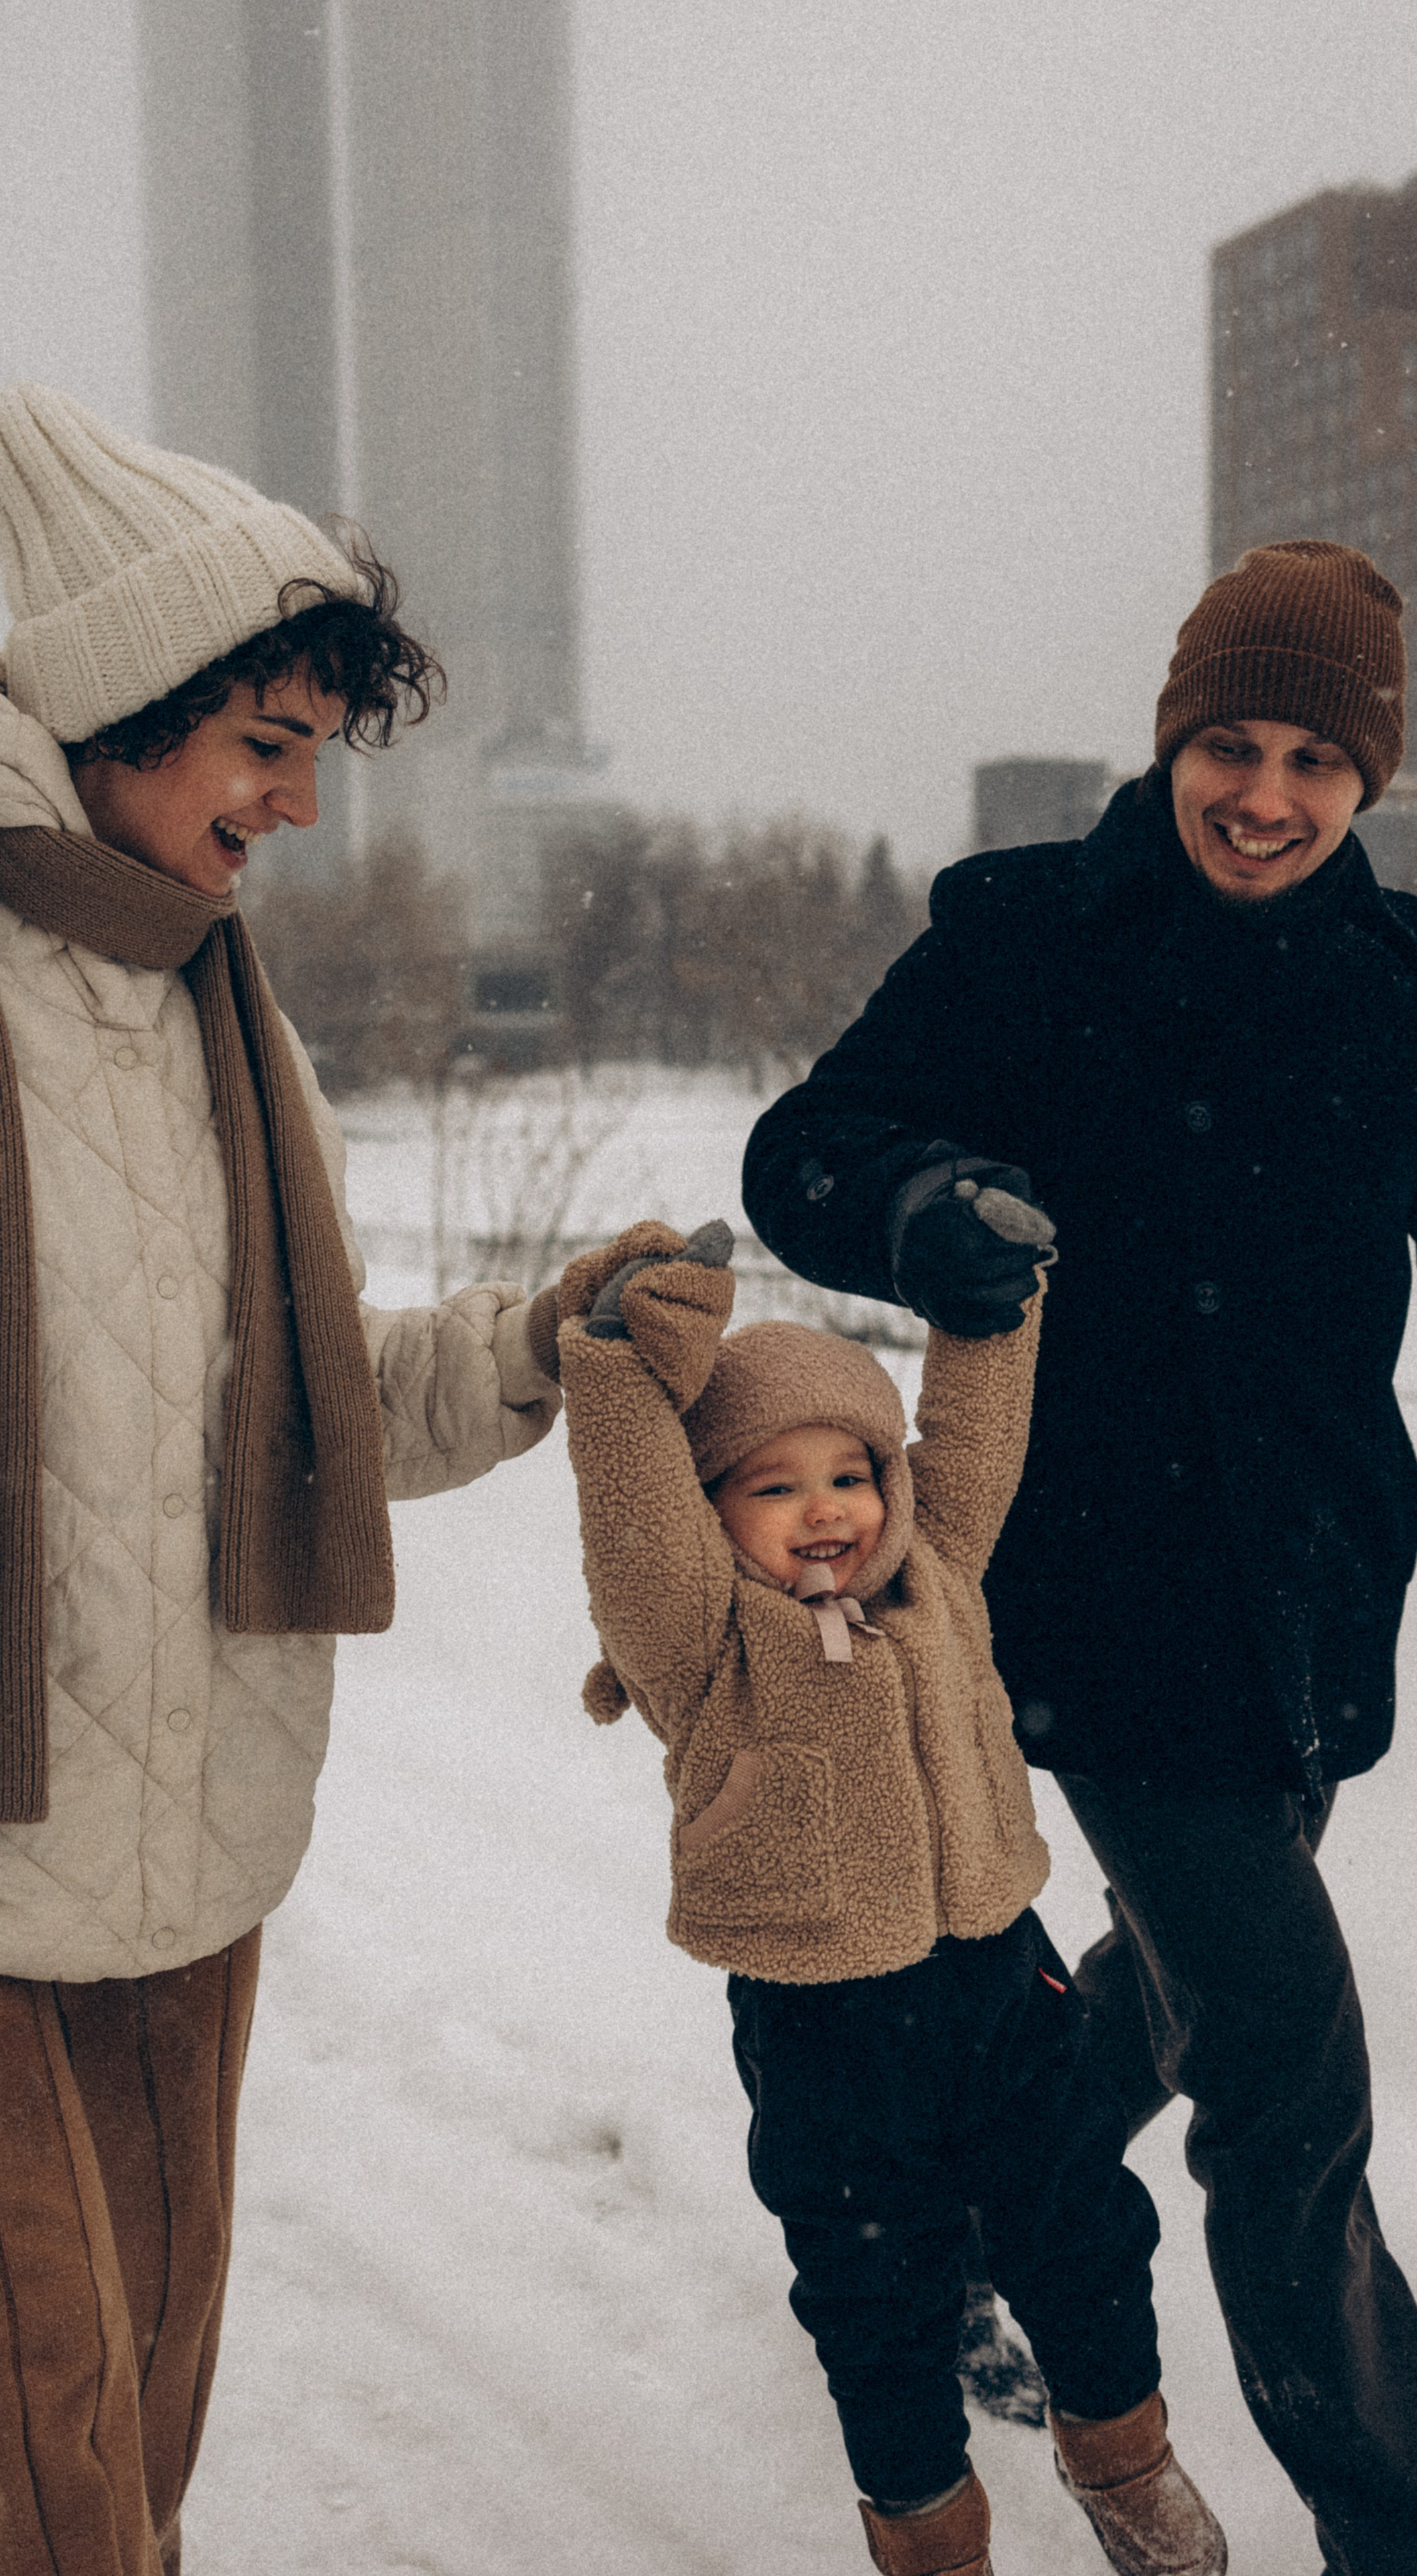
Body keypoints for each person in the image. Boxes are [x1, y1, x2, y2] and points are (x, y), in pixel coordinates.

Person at [740, 539, 1417, 2576]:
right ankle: (1407, 2539)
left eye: (1313, 761)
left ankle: (988, 2221)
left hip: (1312, 1611)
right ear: (1173, 736)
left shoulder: (1415, 989)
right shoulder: (1026, 942)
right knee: (1286, 2075)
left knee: (1179, 2001)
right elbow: (807, 1148)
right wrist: (917, 1199)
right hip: (1081, 1596)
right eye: (1229, 744)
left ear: (1370, 783)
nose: (1263, 796)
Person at [0, 383, 569, 2576]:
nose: (303, 806)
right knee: (43, 2426)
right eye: (267, 743)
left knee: (140, 2406)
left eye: (319, 750)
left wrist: (542, 1346)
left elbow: (311, 1393)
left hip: (195, 1833)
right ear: (115, 702)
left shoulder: (222, 1010)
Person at [553, 1216, 1226, 2576]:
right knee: (874, 2300)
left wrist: (989, 1302)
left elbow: (969, 1442)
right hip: (822, 2028)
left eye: (851, 1473)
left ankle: (1122, 2452)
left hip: (998, 1978)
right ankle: (931, 2540)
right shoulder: (697, 1639)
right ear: (710, 1513)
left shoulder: (935, 1571)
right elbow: (629, 1526)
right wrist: (621, 1365)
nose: (825, 1512)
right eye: (770, 1485)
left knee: (1082, 2228)